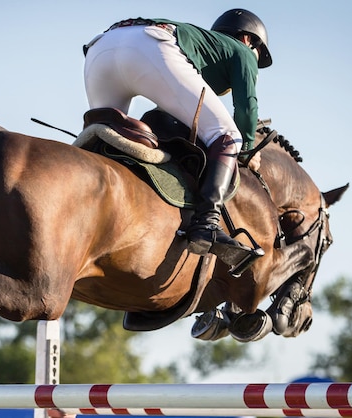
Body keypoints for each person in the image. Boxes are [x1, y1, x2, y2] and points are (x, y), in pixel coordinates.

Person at [83, 9, 272, 262]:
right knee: (228, 135)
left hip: (101, 46)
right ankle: (206, 225)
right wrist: (248, 149)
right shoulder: (243, 51)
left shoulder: (203, 47)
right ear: (249, 40)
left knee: (102, 134)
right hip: (150, 46)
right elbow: (247, 109)